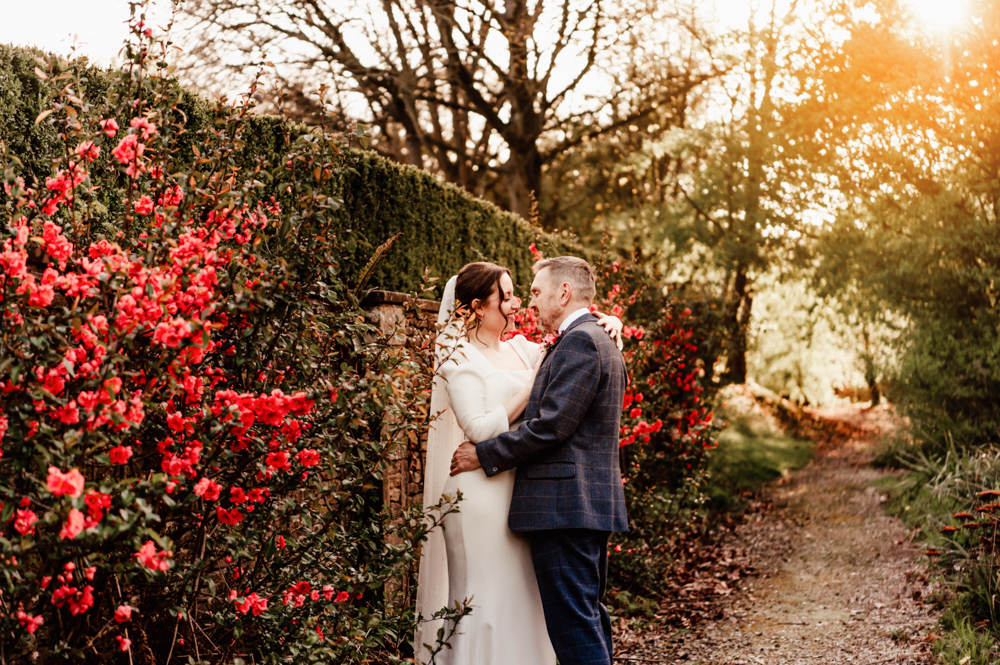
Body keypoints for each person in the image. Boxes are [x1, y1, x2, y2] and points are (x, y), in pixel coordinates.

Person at [414, 261, 623, 664]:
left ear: (564, 293)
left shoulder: (526, 347)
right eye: (507, 296)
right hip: (488, 494)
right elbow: (478, 427)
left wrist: (609, 321)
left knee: (555, 614)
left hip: (534, 495)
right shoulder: (458, 356)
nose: (520, 304)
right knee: (492, 603)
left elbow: (555, 415)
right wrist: (529, 389)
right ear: (478, 307)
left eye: (526, 294)